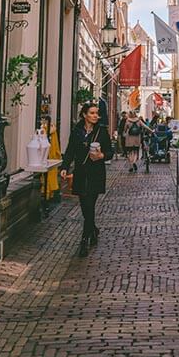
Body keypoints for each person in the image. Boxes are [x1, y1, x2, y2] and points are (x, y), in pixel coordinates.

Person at [60, 102, 112, 257]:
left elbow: (110, 151)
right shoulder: (76, 132)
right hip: (81, 173)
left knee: (90, 203)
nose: (95, 116)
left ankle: (84, 240)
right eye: (92, 113)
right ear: (84, 115)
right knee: (85, 205)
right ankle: (93, 229)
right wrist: (64, 167)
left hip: (96, 173)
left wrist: (102, 155)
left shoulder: (102, 132)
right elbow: (70, 151)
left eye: (97, 113)